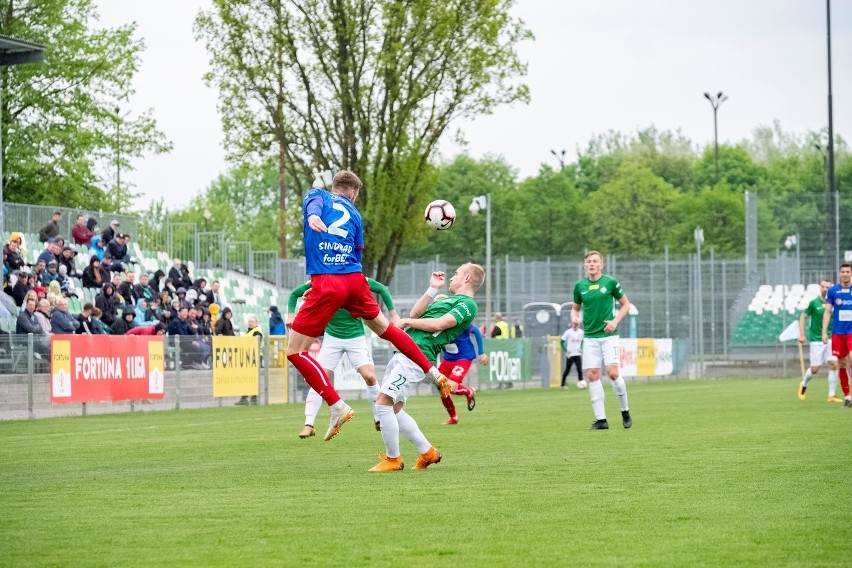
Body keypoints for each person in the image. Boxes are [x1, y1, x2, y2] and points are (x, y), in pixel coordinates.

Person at [286, 170, 451, 442]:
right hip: (355, 279)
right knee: (385, 328)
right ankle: (432, 371)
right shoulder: (355, 214)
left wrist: (313, 216)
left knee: (295, 351)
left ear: (336, 187)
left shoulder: (318, 195)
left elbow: (312, 205)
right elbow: (357, 252)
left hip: (327, 280)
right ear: (354, 192)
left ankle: (337, 406)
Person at [369, 263, 484, 472]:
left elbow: (439, 324)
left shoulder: (468, 304)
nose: (451, 277)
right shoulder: (446, 299)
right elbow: (416, 313)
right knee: (392, 409)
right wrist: (432, 289)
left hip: (418, 354)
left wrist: (406, 322)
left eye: (456, 273)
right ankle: (427, 452)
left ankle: (393, 459)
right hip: (404, 351)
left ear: (467, 279)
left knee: (383, 401)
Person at [288, 277, 399, 437]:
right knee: (320, 378)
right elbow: (294, 294)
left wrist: (393, 314)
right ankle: (309, 423)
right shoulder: (320, 280)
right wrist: (291, 315)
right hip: (332, 338)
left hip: (356, 337)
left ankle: (378, 418)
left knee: (369, 376)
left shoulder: (357, 279)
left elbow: (383, 289)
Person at [571, 250, 632, 430]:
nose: (592, 264)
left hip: (609, 336)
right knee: (592, 375)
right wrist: (574, 318)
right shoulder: (580, 286)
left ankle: (625, 411)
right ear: (585, 265)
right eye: (589, 261)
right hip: (590, 337)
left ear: (601, 265)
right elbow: (575, 308)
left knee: (613, 373)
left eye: (595, 261)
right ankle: (601, 420)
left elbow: (626, 305)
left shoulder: (610, 282)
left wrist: (615, 321)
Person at [437, 314, 488, 425]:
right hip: (447, 359)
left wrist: (481, 353)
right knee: (442, 388)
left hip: (463, 358)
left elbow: (477, 331)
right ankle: (453, 418)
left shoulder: (457, 321)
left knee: (450, 387)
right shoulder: (435, 322)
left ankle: (469, 392)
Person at [798, 280, 841, 403]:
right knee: (815, 369)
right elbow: (803, 317)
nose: (825, 289)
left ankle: (831, 395)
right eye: (823, 286)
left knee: (833, 363)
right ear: (820, 288)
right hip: (816, 340)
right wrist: (802, 335)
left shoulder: (834, 303)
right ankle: (804, 383)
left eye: (827, 287)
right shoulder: (814, 303)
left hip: (832, 338)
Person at [822, 263, 852, 408]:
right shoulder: (833, 291)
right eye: (843, 271)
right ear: (840, 273)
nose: (845, 274)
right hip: (838, 333)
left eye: (848, 271)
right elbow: (827, 312)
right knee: (841, 364)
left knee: (851, 359)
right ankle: (847, 396)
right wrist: (824, 332)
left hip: (851, 332)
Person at [236, 315, 263, 406]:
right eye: (249, 321)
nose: (250, 323)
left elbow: (255, 344)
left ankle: (253, 398)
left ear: (256, 323)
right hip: (247, 358)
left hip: (254, 358)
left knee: (252, 378)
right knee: (247, 378)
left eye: (252, 321)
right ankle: (245, 398)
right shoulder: (249, 332)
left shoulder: (257, 332)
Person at [560, 319, 584, 388]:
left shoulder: (581, 332)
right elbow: (562, 341)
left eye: (577, 324)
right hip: (570, 355)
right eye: (574, 324)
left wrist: (581, 347)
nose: (575, 325)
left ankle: (581, 383)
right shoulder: (568, 332)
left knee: (579, 369)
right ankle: (562, 385)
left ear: (579, 325)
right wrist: (565, 349)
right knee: (567, 370)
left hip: (577, 354)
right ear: (572, 324)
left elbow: (583, 341)